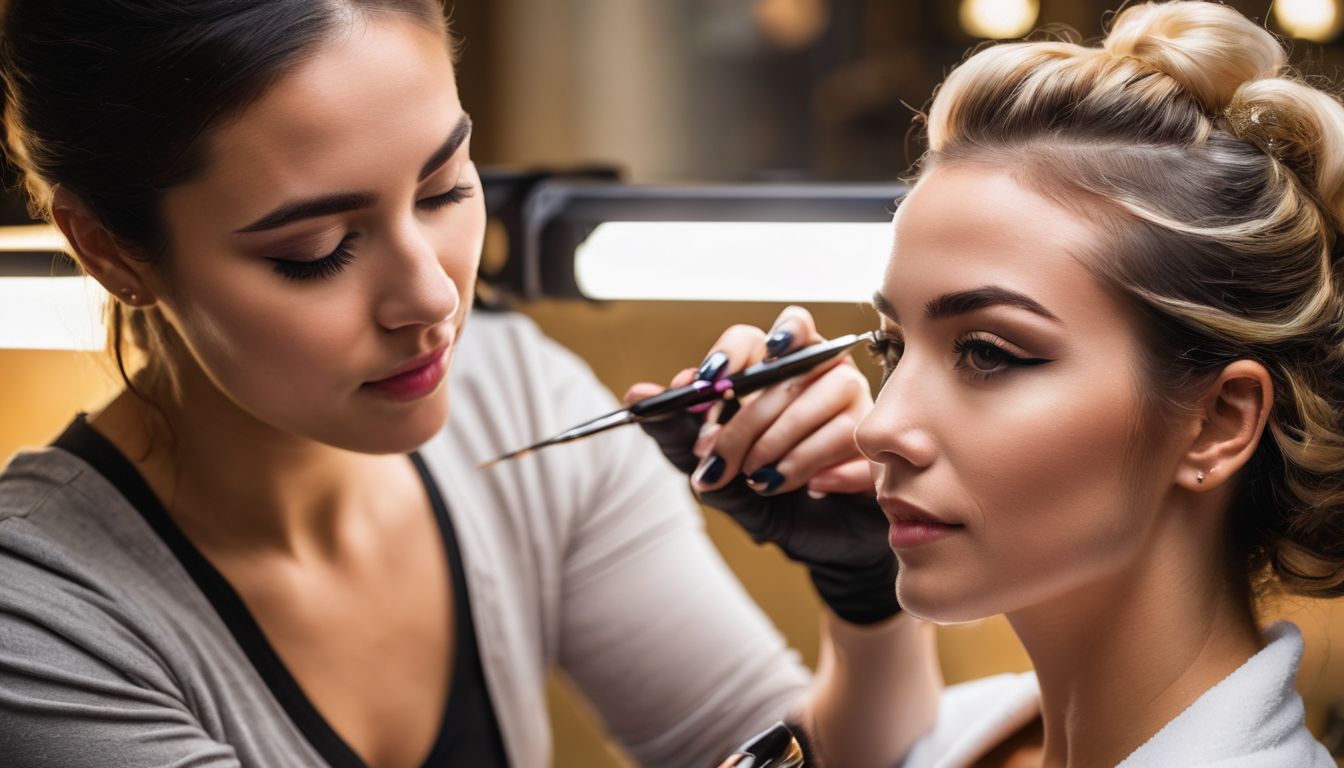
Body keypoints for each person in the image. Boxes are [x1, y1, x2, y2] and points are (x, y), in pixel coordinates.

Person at [0, 2, 938, 767]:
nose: (432, 295)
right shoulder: (36, 623)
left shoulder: (513, 394)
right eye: (313, 251)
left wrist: (868, 591)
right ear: (111, 250)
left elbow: (799, 751)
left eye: (446, 187)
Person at [826, 0, 1344, 764]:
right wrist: (854, 597)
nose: (877, 427)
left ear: (1218, 422)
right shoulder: (972, 731)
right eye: (891, 347)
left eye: (988, 352)